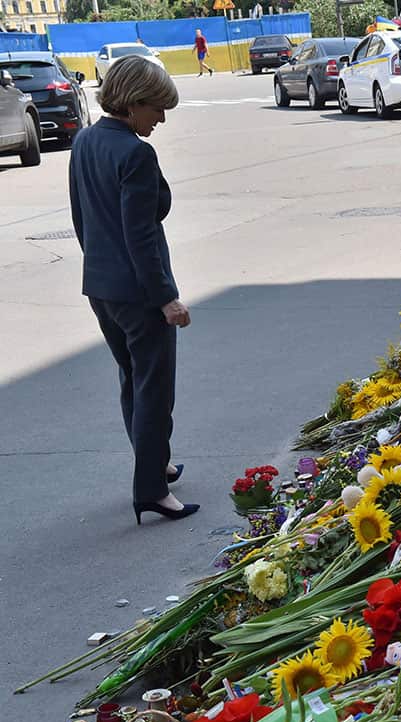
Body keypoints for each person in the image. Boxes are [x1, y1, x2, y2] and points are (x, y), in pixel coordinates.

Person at [69, 56, 199, 525]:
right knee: (154, 389)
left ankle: (155, 462)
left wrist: (100, 269)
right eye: (157, 109)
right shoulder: (136, 154)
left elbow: (81, 218)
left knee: (132, 378)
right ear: (133, 102)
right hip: (141, 294)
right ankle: (152, 490)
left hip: (101, 287)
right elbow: (141, 234)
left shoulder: (83, 140)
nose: (161, 119)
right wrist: (165, 297)